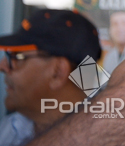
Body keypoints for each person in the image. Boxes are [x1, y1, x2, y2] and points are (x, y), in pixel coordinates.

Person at [0, 9, 101, 145]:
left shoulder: (110, 139)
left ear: (58, 72)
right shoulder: (10, 128)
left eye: (17, 57)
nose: (2, 66)